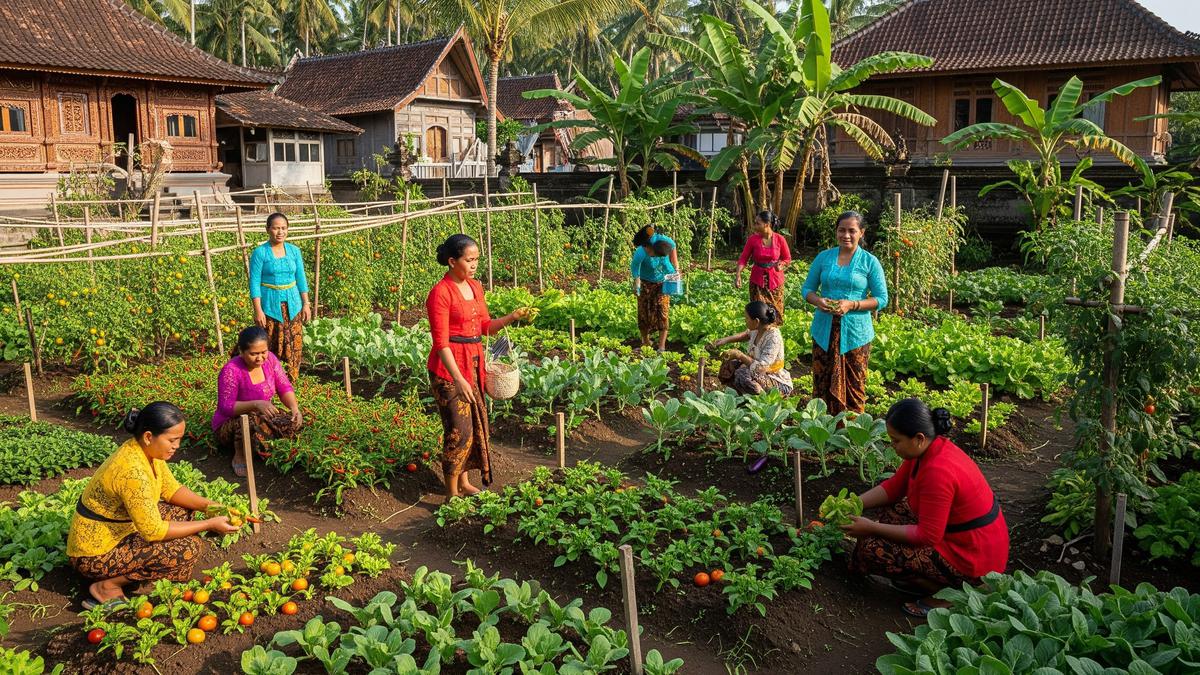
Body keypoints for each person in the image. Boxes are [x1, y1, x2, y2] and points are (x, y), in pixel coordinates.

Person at [842, 398, 1009, 618]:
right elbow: (894, 488)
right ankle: (927, 579)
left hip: (976, 557)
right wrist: (854, 503)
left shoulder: (938, 471)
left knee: (873, 549)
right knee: (891, 513)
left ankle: (953, 594)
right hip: (967, 537)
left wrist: (872, 527)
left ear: (918, 438)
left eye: (896, 440)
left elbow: (927, 535)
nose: (892, 446)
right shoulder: (927, 449)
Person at [68, 402, 241, 608]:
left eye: (179, 439)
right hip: (94, 554)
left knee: (184, 511)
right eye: (172, 440)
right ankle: (106, 586)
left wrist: (211, 507)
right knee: (189, 548)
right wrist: (209, 524)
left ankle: (135, 573)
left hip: (120, 529)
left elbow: (171, 489)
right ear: (149, 436)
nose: (177, 446)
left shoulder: (147, 451)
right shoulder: (132, 471)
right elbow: (153, 531)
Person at [427, 234, 528, 498]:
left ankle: (464, 482)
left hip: (473, 364)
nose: (474, 265)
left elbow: (485, 327)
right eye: (469, 260)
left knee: (472, 425)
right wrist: (458, 378)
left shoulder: (475, 287)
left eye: (476, 260)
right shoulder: (440, 293)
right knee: (457, 429)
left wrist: (512, 317)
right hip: (448, 370)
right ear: (452, 261)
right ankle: (451, 493)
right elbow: (441, 343)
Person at [800, 211, 888, 414]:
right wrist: (818, 301)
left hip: (856, 333)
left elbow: (882, 298)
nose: (846, 235)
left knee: (854, 385)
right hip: (824, 330)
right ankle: (822, 429)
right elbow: (807, 289)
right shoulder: (824, 257)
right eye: (841, 230)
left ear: (861, 233)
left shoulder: (869, 262)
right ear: (836, 231)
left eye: (852, 231)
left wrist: (852, 305)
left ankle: (851, 433)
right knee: (822, 380)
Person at [213, 326, 303, 477]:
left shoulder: (271, 361)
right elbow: (225, 407)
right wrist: (256, 404)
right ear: (241, 352)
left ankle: (259, 446)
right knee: (249, 420)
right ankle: (240, 454)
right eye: (254, 354)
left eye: (263, 352)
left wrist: (294, 408)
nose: (260, 358)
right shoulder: (231, 370)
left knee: (295, 420)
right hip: (229, 425)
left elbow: (284, 386)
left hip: (260, 414)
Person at [249, 212, 311, 382]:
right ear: (268, 229)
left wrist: (306, 303)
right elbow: (254, 283)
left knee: (293, 342)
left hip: (293, 305)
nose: (280, 232)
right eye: (276, 228)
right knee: (269, 343)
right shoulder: (260, 253)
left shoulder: (294, 251)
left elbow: (301, 278)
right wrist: (258, 310)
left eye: (283, 228)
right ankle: (269, 379)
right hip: (270, 307)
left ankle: (291, 380)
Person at [710, 301, 793, 397]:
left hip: (776, 381)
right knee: (728, 366)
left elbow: (762, 368)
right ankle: (741, 397)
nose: (745, 321)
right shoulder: (758, 329)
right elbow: (746, 334)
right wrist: (725, 340)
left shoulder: (773, 338)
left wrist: (739, 355)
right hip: (758, 373)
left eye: (746, 318)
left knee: (742, 374)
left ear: (756, 321)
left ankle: (764, 401)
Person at [735, 210, 792, 325]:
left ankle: (773, 336)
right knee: (758, 311)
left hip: (775, 281)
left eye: (757, 223)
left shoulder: (780, 239)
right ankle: (758, 335)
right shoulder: (753, 240)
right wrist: (738, 275)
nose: (755, 226)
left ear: (767, 224)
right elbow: (743, 258)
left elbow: (787, 258)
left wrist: (781, 264)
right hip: (757, 281)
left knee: (775, 311)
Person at [630, 225, 679, 352]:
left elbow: (671, 260)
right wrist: (637, 281)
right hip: (646, 281)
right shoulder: (641, 252)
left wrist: (676, 271)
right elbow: (635, 267)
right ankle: (646, 343)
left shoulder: (663, 249)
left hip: (662, 281)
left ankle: (661, 347)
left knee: (663, 311)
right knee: (643, 312)